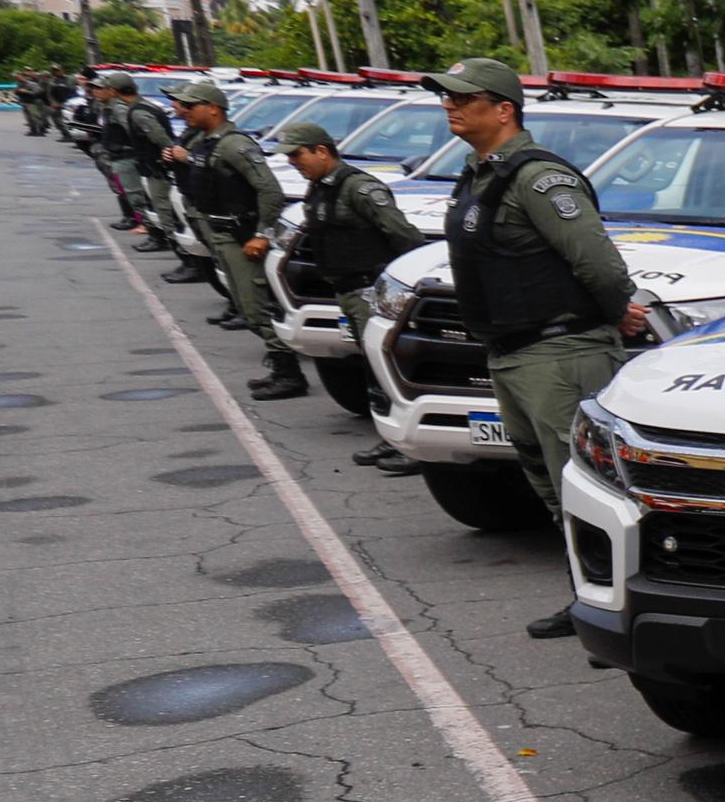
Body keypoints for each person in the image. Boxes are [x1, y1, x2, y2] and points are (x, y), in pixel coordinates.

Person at [426, 56, 647, 637]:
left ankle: (621, 611)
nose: (449, 104)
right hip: (512, 353)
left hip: (561, 351)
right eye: (446, 97)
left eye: (463, 97)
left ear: (503, 109)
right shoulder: (478, 173)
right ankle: (590, 596)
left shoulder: (539, 178)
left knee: (588, 484)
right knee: (551, 484)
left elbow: (596, 261)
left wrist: (615, 313)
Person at [280, 116, 425, 462]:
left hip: (367, 290)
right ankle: (394, 439)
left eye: (297, 155)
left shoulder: (359, 188)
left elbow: (405, 237)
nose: (293, 163)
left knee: (383, 370)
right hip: (346, 290)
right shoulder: (319, 186)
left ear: (322, 151)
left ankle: (407, 447)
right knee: (371, 366)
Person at [168, 79, 307, 398]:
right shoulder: (205, 142)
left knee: (256, 308)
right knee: (246, 308)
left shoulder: (234, 145)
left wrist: (261, 234)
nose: (183, 111)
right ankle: (280, 365)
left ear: (213, 109)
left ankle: (290, 374)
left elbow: (270, 190)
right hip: (221, 234)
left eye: (191, 106)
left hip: (240, 236)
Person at [89, 72, 181, 252]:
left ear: (113, 91)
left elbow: (157, 136)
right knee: (150, 201)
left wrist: (169, 151)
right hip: (143, 161)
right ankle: (159, 235)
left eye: (103, 88)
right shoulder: (127, 106)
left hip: (143, 162)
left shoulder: (131, 109)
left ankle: (162, 238)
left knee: (148, 201)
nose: (96, 92)